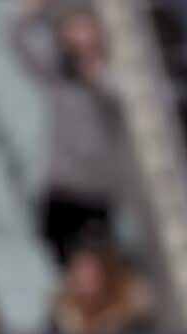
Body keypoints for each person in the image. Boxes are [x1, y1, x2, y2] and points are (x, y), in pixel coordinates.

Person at [13, 0, 126, 265]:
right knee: (52, 257)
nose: (78, 35)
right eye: (72, 28)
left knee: (96, 262)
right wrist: (30, 17)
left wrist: (94, 70)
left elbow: (122, 95)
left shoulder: (111, 73)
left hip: (99, 190)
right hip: (62, 186)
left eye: (85, 27)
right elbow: (21, 46)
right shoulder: (59, 74)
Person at [52, 243, 154, 334]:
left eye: (93, 278)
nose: (86, 285)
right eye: (80, 279)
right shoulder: (61, 325)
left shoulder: (135, 323)